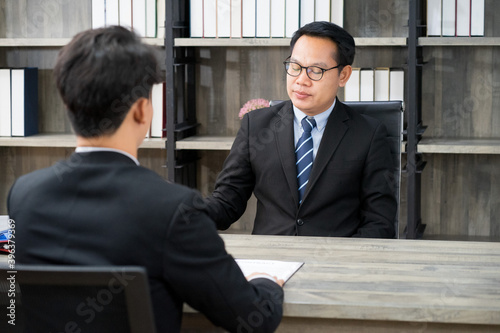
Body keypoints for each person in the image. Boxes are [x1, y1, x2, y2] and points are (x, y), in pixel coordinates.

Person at [7, 26, 283, 333]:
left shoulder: (23, 195)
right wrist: (267, 283)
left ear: (67, 105)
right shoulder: (173, 208)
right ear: (142, 110)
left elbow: (12, 303)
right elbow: (252, 319)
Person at [204, 21, 396, 238]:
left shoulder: (368, 134)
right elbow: (227, 201)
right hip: (272, 260)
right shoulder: (255, 126)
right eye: (295, 67)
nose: (301, 80)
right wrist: (185, 212)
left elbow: (380, 221)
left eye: (316, 70)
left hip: (334, 261)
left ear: (343, 75)